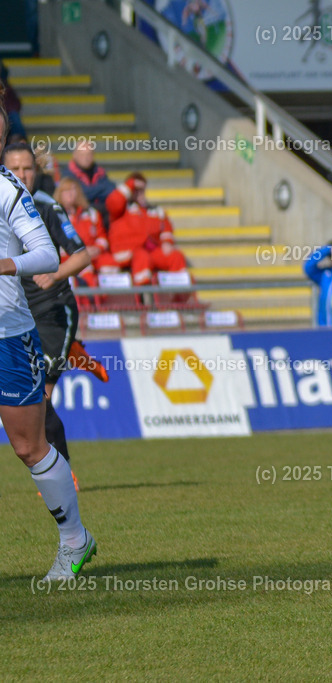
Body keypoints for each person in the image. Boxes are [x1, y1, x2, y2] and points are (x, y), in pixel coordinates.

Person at [0, 96, 96, 580]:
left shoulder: (9, 192)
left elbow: (44, 254)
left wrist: (6, 264)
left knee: (28, 446)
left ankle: (75, 540)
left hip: (9, 335)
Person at [3, 142, 93, 472]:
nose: (22, 175)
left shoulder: (45, 205)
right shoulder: (4, 201)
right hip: (18, 316)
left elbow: (84, 254)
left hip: (54, 311)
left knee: (40, 398)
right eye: (15, 169)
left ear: (37, 171)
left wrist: (54, 274)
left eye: (28, 168)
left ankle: (64, 473)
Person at [103, 172, 189, 286]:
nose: (139, 193)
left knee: (176, 256)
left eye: (141, 189)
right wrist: (131, 184)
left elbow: (166, 228)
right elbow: (113, 201)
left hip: (151, 252)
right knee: (142, 257)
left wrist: (167, 242)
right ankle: (143, 297)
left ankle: (178, 299)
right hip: (127, 252)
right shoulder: (121, 210)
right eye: (135, 189)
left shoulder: (154, 210)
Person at [63, 139, 115, 216]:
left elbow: (112, 189)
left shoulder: (100, 172)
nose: (86, 158)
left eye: (89, 154)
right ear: (74, 155)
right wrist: (100, 190)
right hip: (78, 217)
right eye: (82, 155)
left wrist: (89, 192)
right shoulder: (67, 175)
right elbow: (79, 195)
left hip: (101, 214)